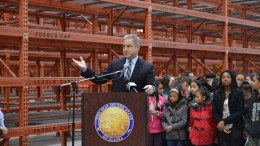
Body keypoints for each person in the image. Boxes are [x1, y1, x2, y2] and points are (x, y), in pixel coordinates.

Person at [72, 34, 156, 94]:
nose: (125, 49)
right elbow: (99, 79)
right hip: (118, 108)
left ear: (138, 47)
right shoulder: (115, 64)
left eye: (129, 46)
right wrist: (85, 69)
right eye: (124, 46)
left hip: (137, 108)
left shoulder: (147, 67)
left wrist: (152, 89)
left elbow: (154, 87)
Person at [212, 70, 245, 146]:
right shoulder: (217, 93)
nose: (225, 79)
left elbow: (240, 111)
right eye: (223, 77)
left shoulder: (238, 92)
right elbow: (214, 111)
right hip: (221, 127)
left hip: (235, 126)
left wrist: (224, 121)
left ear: (232, 79)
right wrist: (220, 122)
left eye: (228, 77)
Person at [244, 73, 260, 146]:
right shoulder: (253, 97)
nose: (251, 82)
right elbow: (247, 113)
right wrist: (247, 126)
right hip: (252, 133)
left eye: (253, 81)